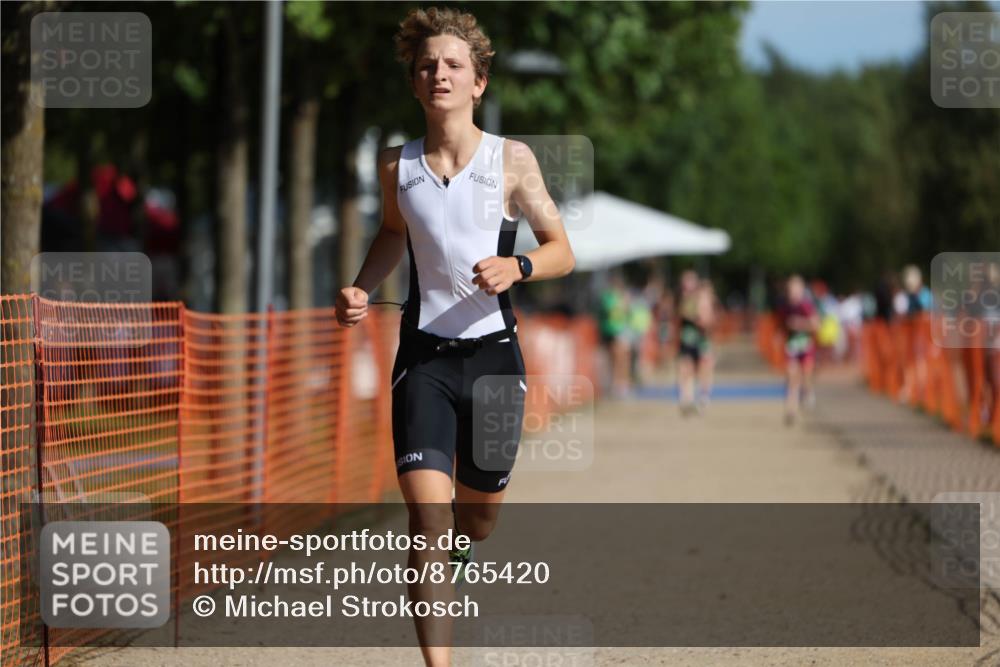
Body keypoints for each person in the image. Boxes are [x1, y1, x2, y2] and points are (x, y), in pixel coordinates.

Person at [334, 8, 574, 666]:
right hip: (425, 361)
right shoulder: (396, 165)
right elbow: (391, 232)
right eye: (427, 66)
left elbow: (562, 250)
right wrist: (360, 288)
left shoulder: (512, 161)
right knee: (428, 522)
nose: (439, 73)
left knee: (477, 521)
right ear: (414, 85)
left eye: (453, 65)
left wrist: (518, 265)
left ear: (479, 83)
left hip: (496, 362)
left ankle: (470, 539)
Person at [779, 275, 820, 425]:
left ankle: (808, 392)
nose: (793, 293)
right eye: (791, 290)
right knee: (791, 377)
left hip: (806, 346)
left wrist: (800, 324)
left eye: (796, 289)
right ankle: (791, 410)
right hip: (792, 347)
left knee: (806, 376)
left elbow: (816, 325)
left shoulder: (806, 306)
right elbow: (781, 325)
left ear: (802, 290)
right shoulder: (785, 307)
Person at [676, 270, 715, 415]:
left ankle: (703, 397)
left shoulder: (703, 297)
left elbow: (708, 320)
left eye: (690, 281)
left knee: (704, 368)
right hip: (687, 339)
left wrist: (702, 320)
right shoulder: (681, 298)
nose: (687, 284)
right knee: (686, 368)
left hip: (702, 340)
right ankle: (687, 399)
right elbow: (682, 314)